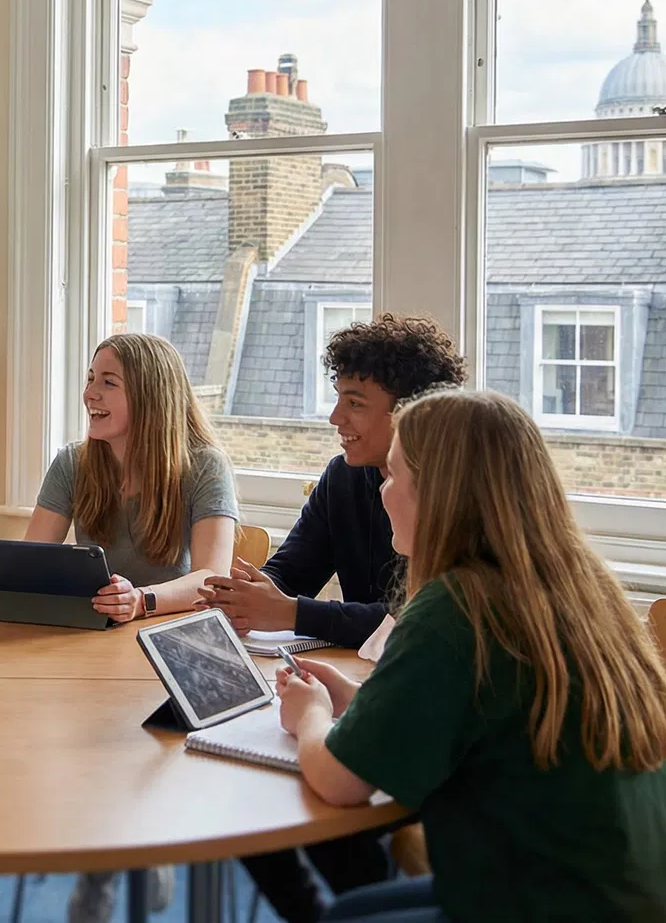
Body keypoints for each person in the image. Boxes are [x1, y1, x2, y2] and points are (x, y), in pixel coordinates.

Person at [274, 389, 666, 922]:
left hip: (560, 905)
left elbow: (339, 781)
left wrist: (309, 715)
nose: (383, 494)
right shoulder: (577, 588)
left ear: (440, 494)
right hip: (634, 896)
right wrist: (354, 698)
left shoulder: (455, 609)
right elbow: (483, 716)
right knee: (354, 910)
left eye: (394, 476)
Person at [198, 313, 466, 923]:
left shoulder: (453, 598)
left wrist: (315, 708)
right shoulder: (350, 482)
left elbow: (403, 623)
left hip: (534, 884)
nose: (334, 419)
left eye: (354, 402)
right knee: (265, 788)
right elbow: (296, 573)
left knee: (300, 791)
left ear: (412, 419)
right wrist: (254, 593)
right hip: (542, 856)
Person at [23, 333, 239, 923]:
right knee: (73, 730)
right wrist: (12, 576)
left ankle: (140, 844)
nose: (89, 393)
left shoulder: (202, 467)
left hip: (172, 645)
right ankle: (105, 849)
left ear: (150, 395)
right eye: (90, 378)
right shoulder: (73, 461)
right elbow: (33, 555)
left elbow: (213, 581)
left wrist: (140, 600)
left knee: (123, 737)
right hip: (87, 648)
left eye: (107, 382)